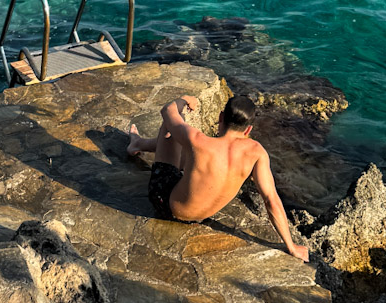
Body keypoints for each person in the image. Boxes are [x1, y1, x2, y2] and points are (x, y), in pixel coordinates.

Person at [127, 94, 309, 262]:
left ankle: (138, 144)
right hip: (200, 217)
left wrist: (184, 99)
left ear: (221, 117)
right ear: (248, 130)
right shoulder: (257, 153)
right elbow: (271, 200)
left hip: (166, 205)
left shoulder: (198, 140)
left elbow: (167, 110)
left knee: (172, 127)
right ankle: (140, 144)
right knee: (188, 149)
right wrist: (291, 247)